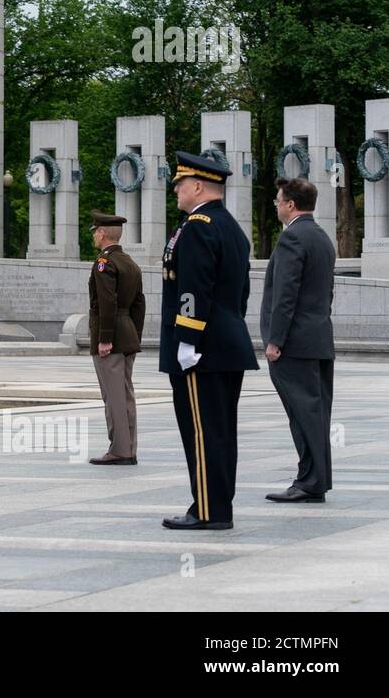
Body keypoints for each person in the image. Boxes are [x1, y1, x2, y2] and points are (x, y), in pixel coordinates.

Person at [159, 151, 258, 530]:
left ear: (198, 185)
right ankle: (215, 505)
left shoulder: (198, 225)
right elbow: (241, 292)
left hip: (202, 350)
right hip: (225, 343)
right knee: (219, 431)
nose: (177, 191)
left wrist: (187, 339)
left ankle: (208, 511)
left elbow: (193, 289)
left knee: (202, 431)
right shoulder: (230, 226)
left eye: (180, 184)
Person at [261, 177, 336, 503]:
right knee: (316, 412)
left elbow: (285, 294)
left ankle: (309, 480)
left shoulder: (292, 238)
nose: (277, 205)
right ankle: (315, 480)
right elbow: (326, 292)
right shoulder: (321, 237)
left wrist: (276, 340)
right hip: (318, 337)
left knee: (302, 413)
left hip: (295, 343)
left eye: (279, 200)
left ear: (291, 204)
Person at [86, 210, 145, 465]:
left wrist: (105, 338)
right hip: (128, 333)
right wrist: (134, 335)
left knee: (114, 396)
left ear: (101, 234)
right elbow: (139, 304)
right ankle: (128, 448)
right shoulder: (130, 262)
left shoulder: (104, 263)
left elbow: (107, 302)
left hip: (111, 336)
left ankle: (119, 450)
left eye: (95, 232)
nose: (94, 235)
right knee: (125, 394)